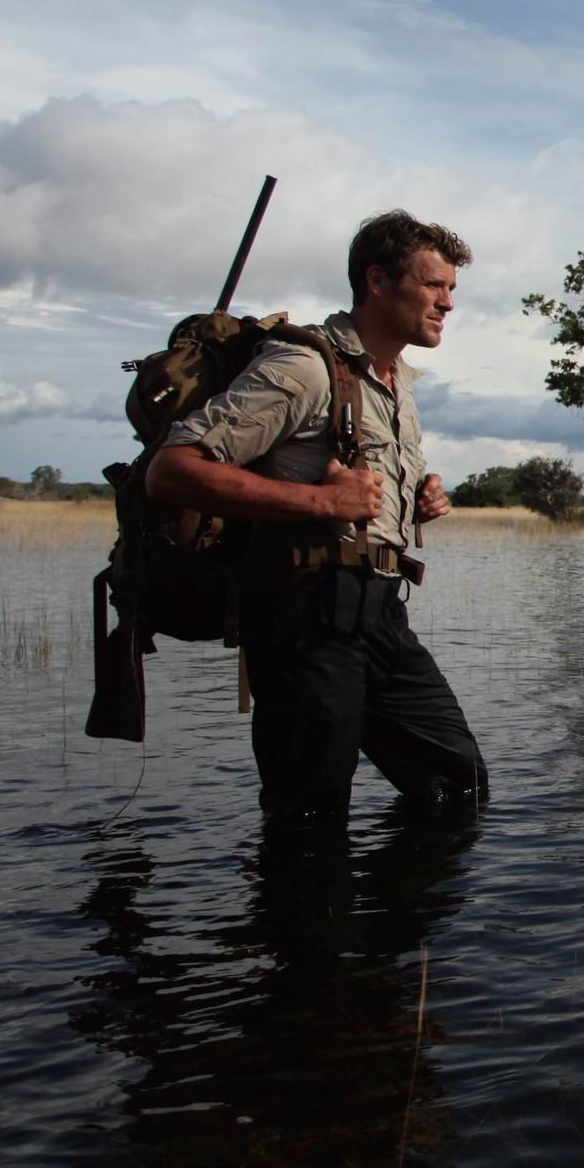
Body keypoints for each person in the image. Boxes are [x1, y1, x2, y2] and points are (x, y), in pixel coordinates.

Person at [144, 209, 488, 820]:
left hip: (381, 614)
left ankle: (388, 918)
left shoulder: (399, 381)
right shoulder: (303, 367)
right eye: (434, 286)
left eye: (451, 289)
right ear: (377, 282)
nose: (447, 303)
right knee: (310, 814)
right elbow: (172, 471)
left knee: (456, 785)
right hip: (305, 620)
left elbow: (362, 492)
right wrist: (321, 502)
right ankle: (303, 914)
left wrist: (418, 502)